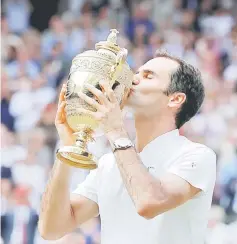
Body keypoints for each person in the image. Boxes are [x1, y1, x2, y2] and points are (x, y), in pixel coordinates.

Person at [38, 50, 217, 244]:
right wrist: (68, 147)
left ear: (175, 99)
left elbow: (149, 203)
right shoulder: (109, 163)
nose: (133, 79)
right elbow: (51, 228)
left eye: (148, 76)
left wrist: (115, 130)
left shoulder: (196, 156)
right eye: (137, 73)